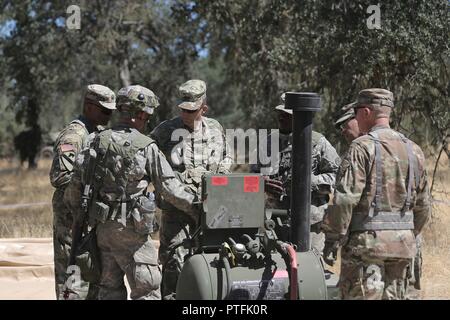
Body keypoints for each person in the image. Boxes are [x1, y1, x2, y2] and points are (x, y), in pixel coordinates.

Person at [65, 85, 199, 300]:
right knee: (147, 290)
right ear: (141, 113)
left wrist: (79, 217)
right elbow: (170, 189)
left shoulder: (94, 140)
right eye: (147, 116)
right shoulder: (145, 146)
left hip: (102, 232)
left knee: (108, 291)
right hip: (133, 234)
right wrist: (199, 206)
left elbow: (74, 188)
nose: (147, 120)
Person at [321, 88, 431, 300]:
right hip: (404, 247)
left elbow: (345, 200)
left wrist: (332, 239)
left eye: (357, 113)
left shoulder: (362, 147)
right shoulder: (414, 150)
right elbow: (423, 206)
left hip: (366, 248)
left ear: (366, 112)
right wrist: (407, 234)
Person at [150, 79, 232, 300]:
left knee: (208, 263)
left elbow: (227, 156)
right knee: (174, 263)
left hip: (209, 213)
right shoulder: (165, 131)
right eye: (183, 109)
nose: (186, 114)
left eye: (192, 110)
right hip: (176, 215)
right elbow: (147, 162)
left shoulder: (215, 128)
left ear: (203, 108)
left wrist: (221, 176)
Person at [49, 84, 116, 300]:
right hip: (71, 222)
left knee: (92, 278)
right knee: (72, 280)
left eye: (111, 111)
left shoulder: (97, 133)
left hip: (89, 221)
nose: (109, 115)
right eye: (105, 110)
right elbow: (60, 177)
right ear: (89, 106)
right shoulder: (74, 135)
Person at [253, 94, 341, 254]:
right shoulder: (267, 142)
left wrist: (308, 181)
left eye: (287, 115)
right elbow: (251, 177)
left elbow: (338, 176)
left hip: (309, 224)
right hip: (274, 221)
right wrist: (262, 182)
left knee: (309, 270)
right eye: (280, 113)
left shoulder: (318, 142)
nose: (282, 117)